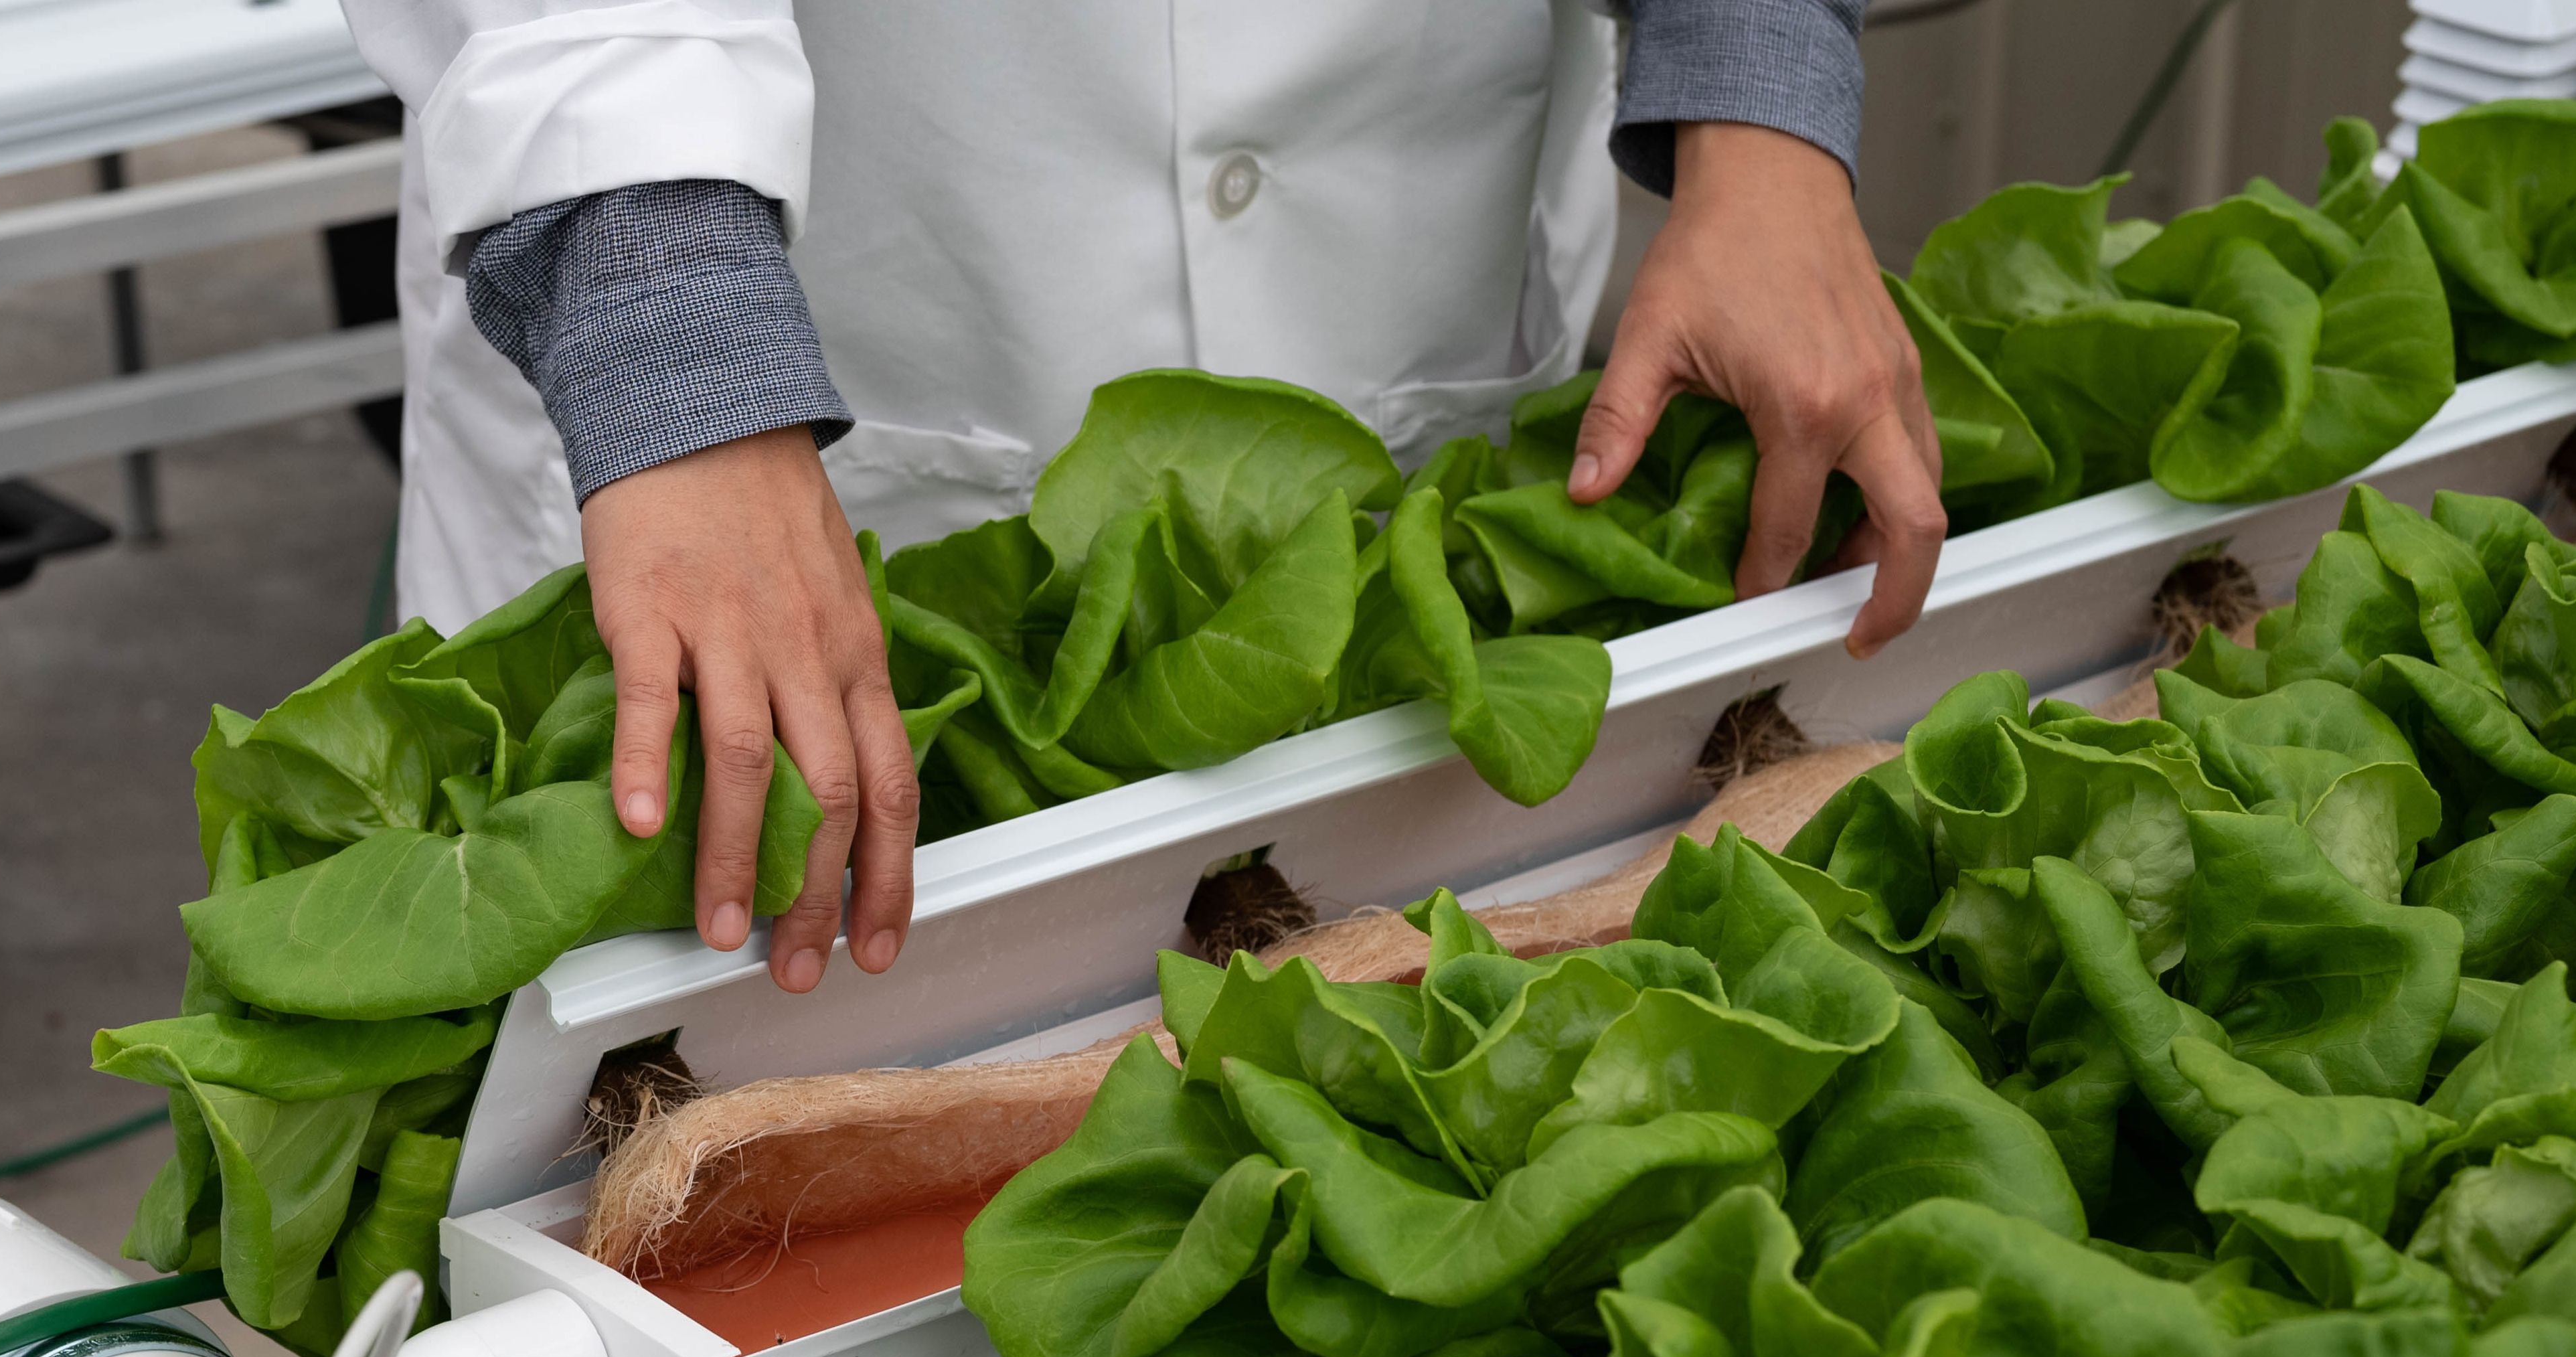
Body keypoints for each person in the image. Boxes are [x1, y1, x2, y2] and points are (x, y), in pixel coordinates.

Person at [341, 0, 1939, 1002]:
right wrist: (667, 318)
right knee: (668, 1210)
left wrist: (1762, 94)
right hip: (836, 272)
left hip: (1400, 239)